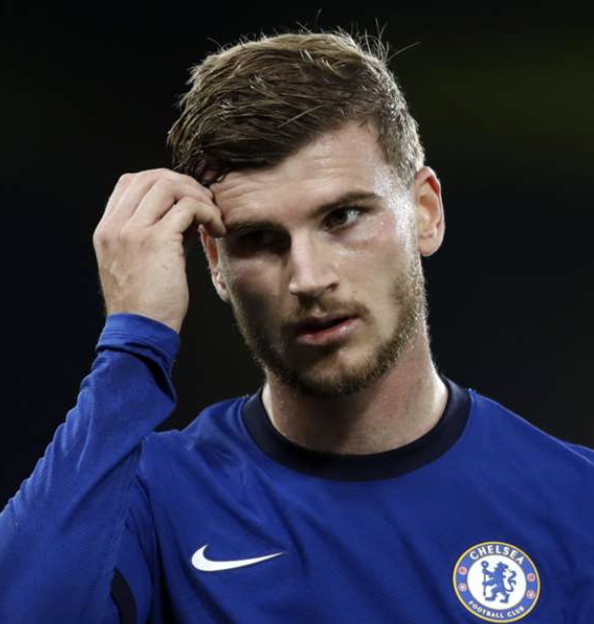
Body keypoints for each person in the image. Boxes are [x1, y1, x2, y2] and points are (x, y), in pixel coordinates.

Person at [1, 29, 593, 624]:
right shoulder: (151, 500)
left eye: (343, 216)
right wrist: (133, 343)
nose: (308, 279)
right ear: (215, 263)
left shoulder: (576, 503)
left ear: (425, 212)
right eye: (259, 238)